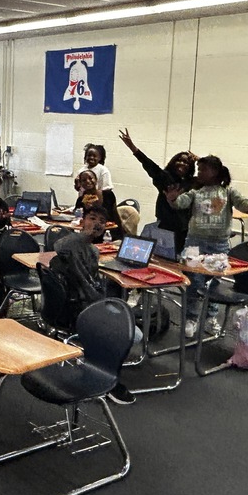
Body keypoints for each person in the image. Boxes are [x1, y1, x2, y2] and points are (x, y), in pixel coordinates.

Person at [168, 155, 248, 338]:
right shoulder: (195, 192)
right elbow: (180, 204)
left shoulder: (228, 191)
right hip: (194, 242)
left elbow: (244, 205)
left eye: (203, 170)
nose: (199, 173)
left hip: (219, 244)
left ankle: (211, 317)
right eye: (199, 170)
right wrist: (172, 199)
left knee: (214, 282)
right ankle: (192, 317)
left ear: (215, 171)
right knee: (193, 280)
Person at [50, 204, 135, 406]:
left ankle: (106, 369)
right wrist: (84, 235)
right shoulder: (70, 245)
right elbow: (59, 245)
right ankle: (106, 380)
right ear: (82, 221)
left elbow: (92, 282)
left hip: (90, 302)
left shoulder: (93, 252)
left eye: (101, 222)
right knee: (120, 330)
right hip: (75, 308)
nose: (96, 224)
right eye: (92, 218)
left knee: (128, 323)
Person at [118, 128, 197, 250]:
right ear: (173, 162)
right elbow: (149, 165)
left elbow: (215, 175)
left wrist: (200, 160)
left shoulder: (191, 182)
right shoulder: (165, 177)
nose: (182, 163)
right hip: (165, 225)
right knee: (163, 255)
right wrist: (133, 148)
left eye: (186, 162)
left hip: (184, 228)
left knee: (179, 257)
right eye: (179, 160)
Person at [73, 169, 124, 240]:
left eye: (90, 178)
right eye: (84, 180)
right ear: (81, 183)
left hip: (109, 233)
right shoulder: (81, 200)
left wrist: (123, 234)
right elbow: (78, 219)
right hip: (91, 235)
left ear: (96, 180)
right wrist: (86, 209)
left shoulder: (108, 195)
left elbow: (115, 215)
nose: (88, 181)